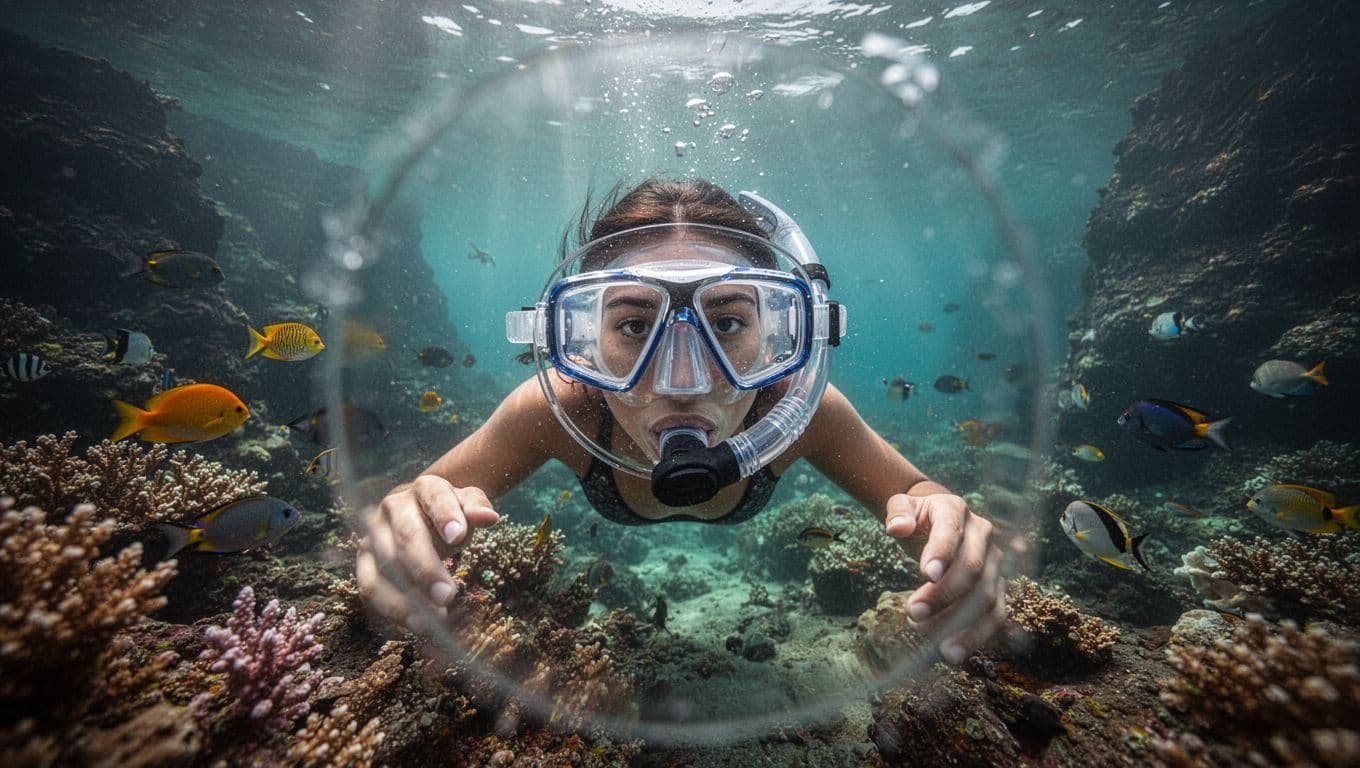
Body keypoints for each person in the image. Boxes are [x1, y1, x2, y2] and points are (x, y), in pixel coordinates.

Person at [357, 178, 1006, 663]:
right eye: (635, 325)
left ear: (784, 335)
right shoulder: (557, 410)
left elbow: (921, 499)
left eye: (728, 323)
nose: (684, 381)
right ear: (576, 340)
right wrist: (397, 539)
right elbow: (417, 512)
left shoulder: (801, 409)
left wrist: (949, 531)